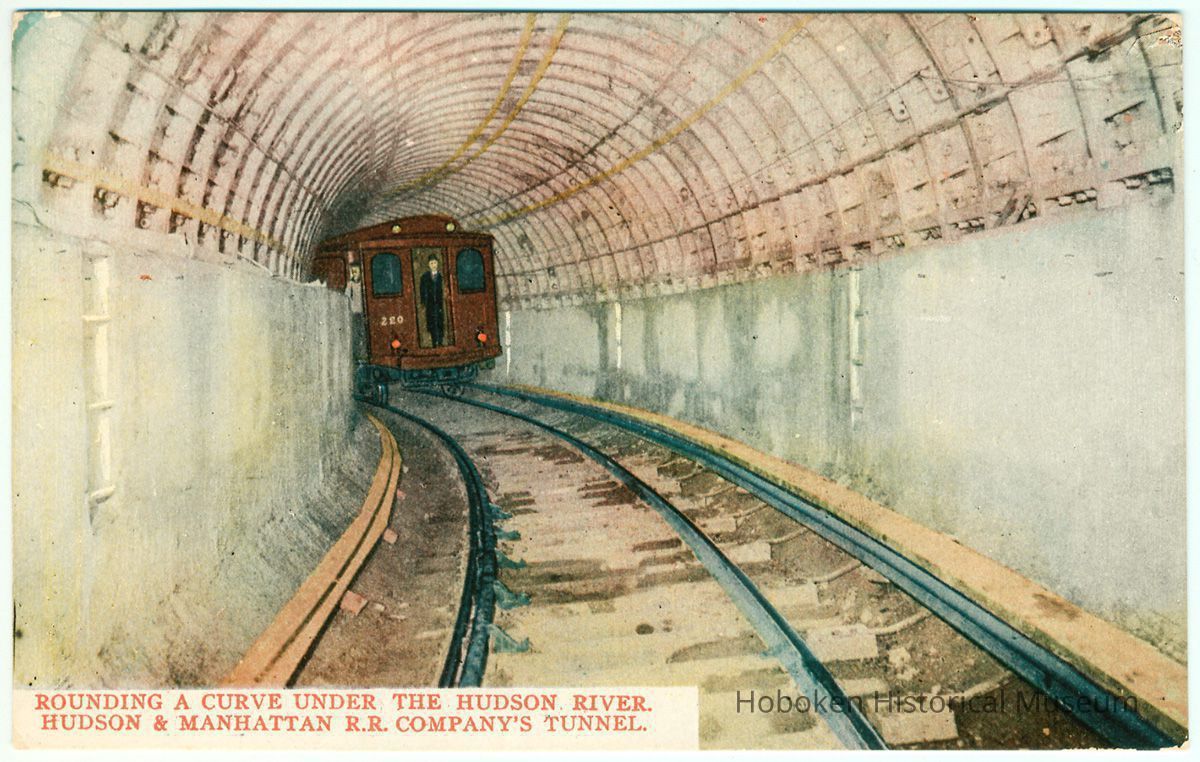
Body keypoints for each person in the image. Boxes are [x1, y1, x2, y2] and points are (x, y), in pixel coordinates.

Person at [419, 255, 445, 347]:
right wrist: (423, 302)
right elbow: (422, 290)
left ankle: (441, 341)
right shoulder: (424, 277)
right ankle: (434, 342)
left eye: (435, 263)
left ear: (437, 263)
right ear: (428, 265)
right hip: (430, 304)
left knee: (440, 322)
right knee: (432, 323)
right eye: (431, 263)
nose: (433, 265)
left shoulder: (441, 276)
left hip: (440, 304)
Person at [345, 264, 366, 361]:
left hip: (363, 311)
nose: (354, 273)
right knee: (357, 333)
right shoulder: (350, 285)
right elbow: (347, 296)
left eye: (356, 271)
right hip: (355, 311)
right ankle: (358, 353)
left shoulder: (363, 283)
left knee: (363, 332)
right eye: (353, 272)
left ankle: (363, 352)